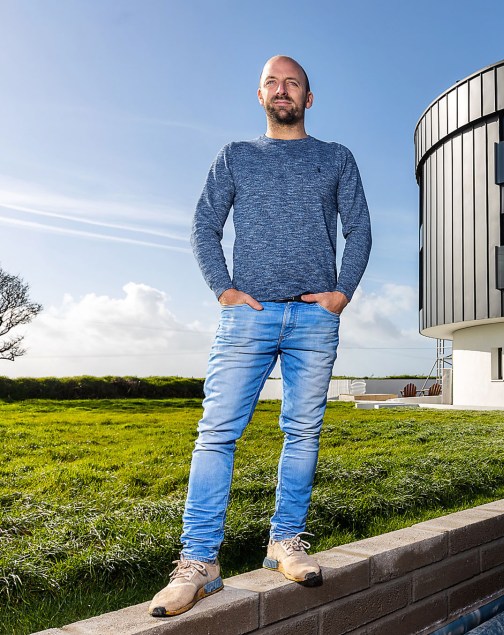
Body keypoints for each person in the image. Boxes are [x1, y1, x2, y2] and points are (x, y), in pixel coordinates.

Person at [149, 55, 372, 618]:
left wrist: (341, 293)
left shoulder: (335, 158)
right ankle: (198, 563)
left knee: (303, 432)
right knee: (217, 432)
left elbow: (360, 227)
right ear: (259, 95)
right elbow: (204, 223)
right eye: (272, 82)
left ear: (308, 98)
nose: (282, 89)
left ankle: (285, 544)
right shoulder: (235, 156)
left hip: (314, 318)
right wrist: (223, 288)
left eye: (292, 82)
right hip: (247, 314)